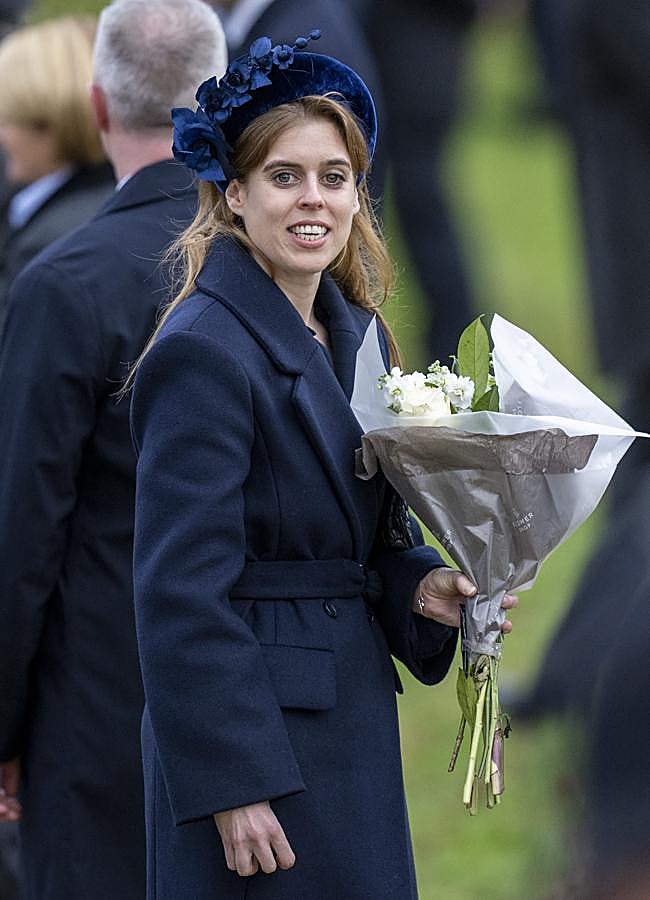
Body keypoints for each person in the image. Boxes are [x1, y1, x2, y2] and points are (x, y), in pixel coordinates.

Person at [130, 32, 516, 897]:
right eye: (284, 176)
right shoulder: (203, 352)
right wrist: (234, 784)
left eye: (334, 177)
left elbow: (371, 535)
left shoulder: (360, 333)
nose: (314, 200)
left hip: (349, 720)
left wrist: (422, 586)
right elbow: (178, 591)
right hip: (257, 743)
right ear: (232, 194)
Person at [0, 1, 227, 898]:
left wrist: (5, 728)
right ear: (217, 101)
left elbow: (24, 530)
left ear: (97, 106)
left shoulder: (69, 284)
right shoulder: (282, 264)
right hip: (270, 697)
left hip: (98, 702)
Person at [0, 16, 115, 328]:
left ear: (50, 125)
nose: (2, 136)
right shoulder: (75, 197)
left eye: (9, 119)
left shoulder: (54, 240)